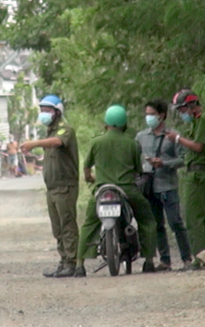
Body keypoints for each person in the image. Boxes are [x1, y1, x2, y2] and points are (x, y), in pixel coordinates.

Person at [76, 105, 157, 277]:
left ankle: (79, 264)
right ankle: (149, 260)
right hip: (127, 190)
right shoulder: (132, 144)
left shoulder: (96, 142)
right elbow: (138, 171)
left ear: (105, 124)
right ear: (124, 124)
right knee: (147, 220)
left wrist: (90, 178)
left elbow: (86, 167)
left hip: (102, 190)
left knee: (89, 224)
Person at [21, 95, 79, 278]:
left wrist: (35, 144)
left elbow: (58, 142)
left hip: (65, 186)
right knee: (58, 228)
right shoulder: (50, 132)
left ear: (57, 112)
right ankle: (63, 262)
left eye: (48, 110)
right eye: (42, 110)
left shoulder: (65, 129)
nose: (44, 114)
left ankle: (72, 263)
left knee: (67, 225)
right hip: (52, 188)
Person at [135, 99, 192, 271]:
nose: (149, 117)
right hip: (149, 186)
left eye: (152, 114)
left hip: (167, 185)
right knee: (156, 225)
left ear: (162, 115)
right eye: (147, 114)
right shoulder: (140, 137)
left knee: (175, 223)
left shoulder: (173, 136)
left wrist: (165, 163)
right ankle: (165, 260)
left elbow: (184, 159)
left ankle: (186, 259)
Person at [165, 89, 205, 268]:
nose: (181, 114)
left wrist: (178, 139)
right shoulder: (197, 121)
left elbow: (198, 146)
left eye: (182, 109)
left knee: (194, 217)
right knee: (204, 217)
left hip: (199, 174)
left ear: (191, 106)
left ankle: (200, 258)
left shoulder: (204, 119)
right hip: (199, 172)